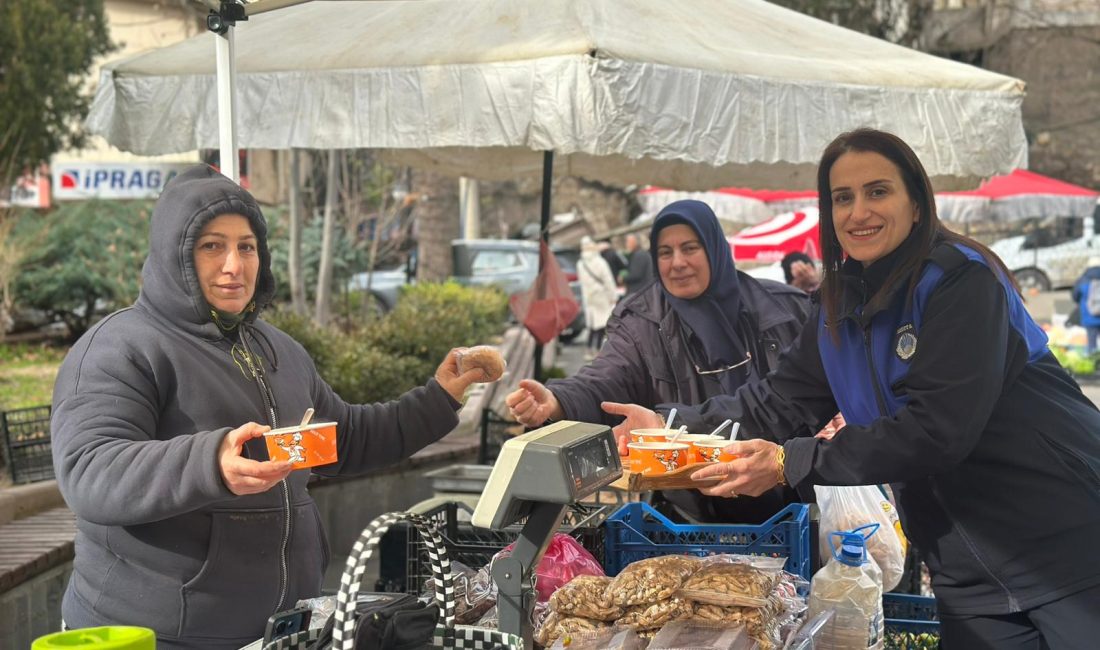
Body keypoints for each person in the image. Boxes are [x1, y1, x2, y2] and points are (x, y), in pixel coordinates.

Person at [607, 129, 1100, 648]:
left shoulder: (960, 282)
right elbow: (776, 401)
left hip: (1066, 544)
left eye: (877, 191)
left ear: (916, 202)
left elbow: (938, 430)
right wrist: (669, 427)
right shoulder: (837, 305)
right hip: (965, 573)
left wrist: (790, 461)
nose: (858, 212)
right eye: (842, 198)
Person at [49, 166, 490, 650]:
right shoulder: (120, 347)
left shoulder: (279, 349)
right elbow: (89, 471)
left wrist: (439, 397)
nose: (234, 265)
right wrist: (211, 462)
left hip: (281, 631)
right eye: (212, 246)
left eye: (247, 247)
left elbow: (343, 439)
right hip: (155, 636)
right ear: (175, 254)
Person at [507, 200, 813, 523]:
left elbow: (812, 389)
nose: (677, 263)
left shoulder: (786, 309)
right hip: (688, 517)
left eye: (690, 248)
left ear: (715, 249)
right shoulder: (642, 321)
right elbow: (605, 378)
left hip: (787, 505)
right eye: (665, 252)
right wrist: (557, 400)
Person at [577, 236, 618, 360]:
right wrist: (613, 296)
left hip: (589, 297)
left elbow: (582, 283)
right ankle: (597, 349)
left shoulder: (580, 264)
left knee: (592, 324)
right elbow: (608, 280)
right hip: (601, 296)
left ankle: (589, 349)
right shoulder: (600, 262)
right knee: (601, 322)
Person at [1071, 256, 1100, 353]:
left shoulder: (1083, 280)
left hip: (1089, 317)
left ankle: (1094, 359)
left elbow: (1075, 296)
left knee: (1092, 346)